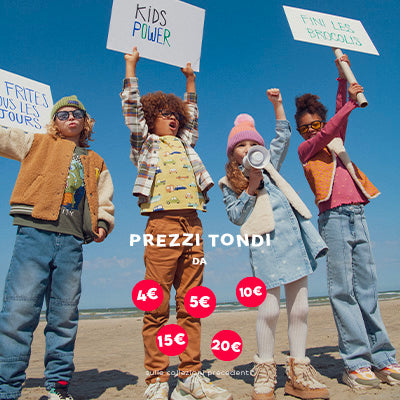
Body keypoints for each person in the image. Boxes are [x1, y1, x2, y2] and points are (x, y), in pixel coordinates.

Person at [121, 47, 232, 400]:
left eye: (175, 115)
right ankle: (156, 378)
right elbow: (131, 111)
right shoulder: (145, 143)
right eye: (165, 114)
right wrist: (130, 66)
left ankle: (190, 376)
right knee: (156, 304)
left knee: (191, 303)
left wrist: (190, 81)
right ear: (151, 118)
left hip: (193, 224)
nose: (172, 119)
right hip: (161, 224)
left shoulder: (186, 144)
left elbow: (193, 117)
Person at [295, 54, 400, 390]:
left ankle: (383, 358)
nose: (311, 131)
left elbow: (337, 119)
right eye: (304, 128)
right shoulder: (306, 151)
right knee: (343, 290)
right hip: (333, 219)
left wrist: (343, 78)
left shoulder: (336, 142)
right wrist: (351, 104)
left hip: (358, 214)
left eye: (315, 124)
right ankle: (355, 363)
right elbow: (330, 127)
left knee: (367, 288)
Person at [0, 95, 115, 400]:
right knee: (19, 310)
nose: (70, 118)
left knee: (64, 314)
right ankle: (7, 388)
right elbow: (4, 138)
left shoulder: (95, 160)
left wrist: (103, 222)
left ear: (86, 122)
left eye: (76, 113)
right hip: (33, 234)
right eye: (62, 115)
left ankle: (58, 386)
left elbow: (104, 196)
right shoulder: (36, 143)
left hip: (72, 242)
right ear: (53, 122)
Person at [219, 89, 329, 400]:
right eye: (241, 145)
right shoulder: (229, 183)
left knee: (300, 309)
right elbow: (235, 217)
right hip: (264, 247)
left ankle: (298, 373)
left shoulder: (270, 166)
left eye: (253, 144)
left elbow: (283, 137)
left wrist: (278, 105)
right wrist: (250, 187)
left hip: (293, 239)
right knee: (268, 310)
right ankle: (265, 371)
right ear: (232, 154)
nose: (248, 149)